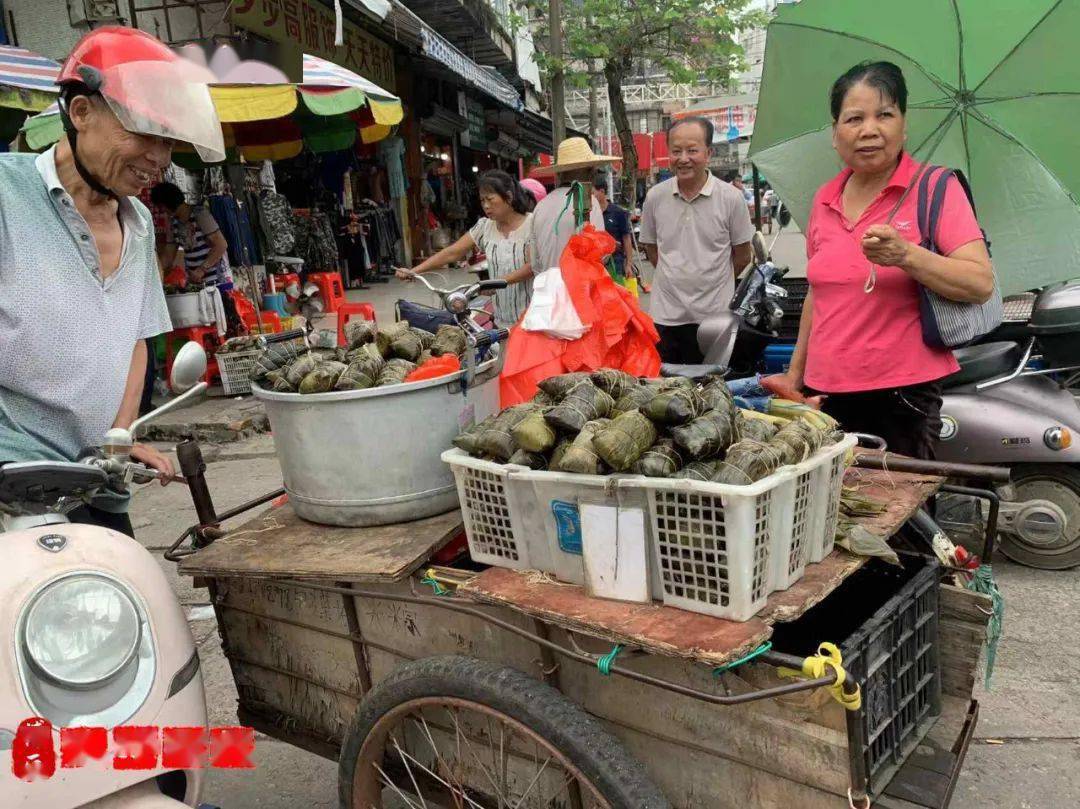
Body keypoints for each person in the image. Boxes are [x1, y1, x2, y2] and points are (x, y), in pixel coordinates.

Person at [0, 26, 225, 536]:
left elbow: (135, 339)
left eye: (168, 141)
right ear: (81, 113)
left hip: (96, 478)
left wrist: (120, 434)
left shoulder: (140, 223)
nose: (160, 159)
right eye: (145, 133)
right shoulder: (6, 195)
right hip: (14, 484)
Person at [763, 61, 994, 459]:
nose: (869, 130)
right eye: (854, 118)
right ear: (835, 134)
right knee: (833, 513)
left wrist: (906, 255)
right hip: (827, 395)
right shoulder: (824, 199)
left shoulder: (935, 187)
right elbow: (819, 297)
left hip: (902, 395)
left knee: (900, 515)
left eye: (884, 115)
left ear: (903, 126)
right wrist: (795, 376)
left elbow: (979, 282)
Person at [639, 117, 754, 364]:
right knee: (669, 389)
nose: (683, 158)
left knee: (712, 389)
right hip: (666, 317)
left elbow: (744, 255)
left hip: (714, 317)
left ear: (708, 153)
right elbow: (651, 249)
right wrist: (676, 277)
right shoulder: (655, 197)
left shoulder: (731, 198)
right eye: (676, 151)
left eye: (692, 150)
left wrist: (713, 281)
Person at [396, 170, 534, 327]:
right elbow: (452, 252)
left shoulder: (532, 224)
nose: (486, 206)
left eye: (490, 199)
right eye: (482, 201)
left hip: (531, 320)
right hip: (501, 320)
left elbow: (531, 267)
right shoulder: (484, 227)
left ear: (508, 197)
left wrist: (493, 283)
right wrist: (414, 271)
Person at [530, 137, 611, 272]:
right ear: (590, 172)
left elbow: (534, 263)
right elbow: (600, 255)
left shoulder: (541, 206)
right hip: (579, 288)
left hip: (549, 288)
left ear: (559, 174)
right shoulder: (589, 202)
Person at [591, 174, 633, 280]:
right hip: (596, 264)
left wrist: (628, 264)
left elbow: (627, 239)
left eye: (593, 193)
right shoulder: (590, 214)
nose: (591, 196)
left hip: (616, 264)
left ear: (602, 191)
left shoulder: (618, 212)